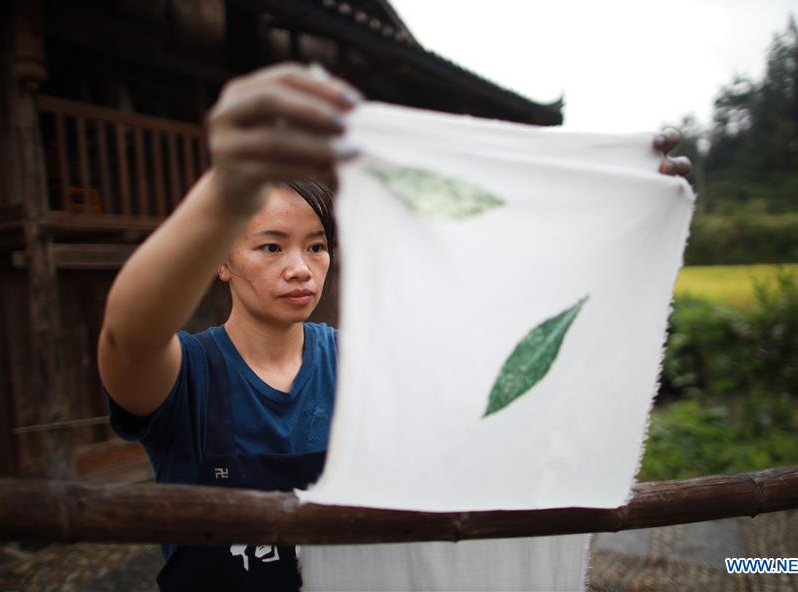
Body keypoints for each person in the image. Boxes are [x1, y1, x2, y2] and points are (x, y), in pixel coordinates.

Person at [97, 62, 692, 591]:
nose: (301, 269)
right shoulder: (191, 376)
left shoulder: (357, 363)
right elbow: (128, 340)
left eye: (318, 246)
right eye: (271, 247)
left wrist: (613, 214)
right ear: (221, 261)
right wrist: (227, 186)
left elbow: (480, 375)